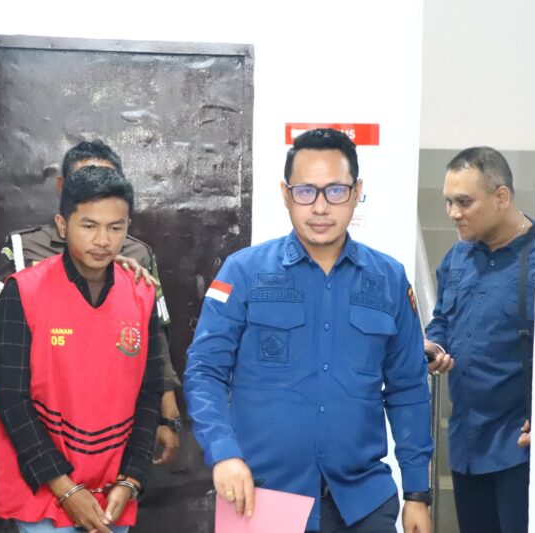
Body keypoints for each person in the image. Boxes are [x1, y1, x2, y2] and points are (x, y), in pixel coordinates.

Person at [184, 128, 433, 533]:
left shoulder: (388, 279)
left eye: (335, 191)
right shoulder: (243, 272)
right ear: (286, 195)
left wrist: (418, 492)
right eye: (305, 192)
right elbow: (204, 371)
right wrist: (223, 451)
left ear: (356, 192)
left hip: (363, 503)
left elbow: (408, 388)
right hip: (262, 499)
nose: (320, 207)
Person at [0, 165, 164, 533]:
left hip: (113, 491)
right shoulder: (24, 291)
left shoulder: (141, 294)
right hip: (42, 489)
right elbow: (10, 399)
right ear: (62, 224)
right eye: (89, 225)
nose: (102, 240)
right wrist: (65, 489)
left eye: (115, 228)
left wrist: (132, 479)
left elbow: (149, 393)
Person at [0, 140, 183, 461]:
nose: (102, 239)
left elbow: (153, 342)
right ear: (63, 188)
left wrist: (168, 414)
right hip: (41, 415)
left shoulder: (136, 255)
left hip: (110, 420)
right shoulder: (25, 248)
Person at [424, 146, 535, 533]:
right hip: (467, 444)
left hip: (520, 447)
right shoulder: (456, 259)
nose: (453, 213)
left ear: (501, 197)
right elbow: (442, 320)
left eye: (464, 202)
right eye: (448, 202)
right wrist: (433, 346)